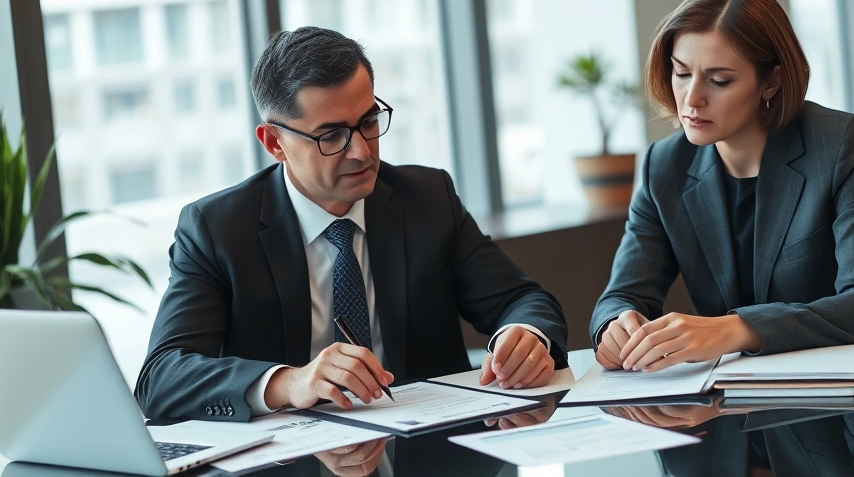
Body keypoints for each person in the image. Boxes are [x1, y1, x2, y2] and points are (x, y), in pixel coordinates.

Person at [135, 27, 568, 421]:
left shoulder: (427, 198)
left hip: (429, 454)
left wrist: (523, 336)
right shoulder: (217, 230)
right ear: (274, 143)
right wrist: (290, 383)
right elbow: (161, 379)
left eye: (368, 122)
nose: (361, 151)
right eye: (330, 136)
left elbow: (523, 300)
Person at [590, 0, 854, 374]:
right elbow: (621, 295)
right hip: (733, 400)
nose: (691, 99)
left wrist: (737, 329)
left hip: (848, 396)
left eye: (719, 80)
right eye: (681, 73)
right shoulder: (665, 165)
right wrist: (616, 324)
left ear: (771, 81)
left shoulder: (841, 144)